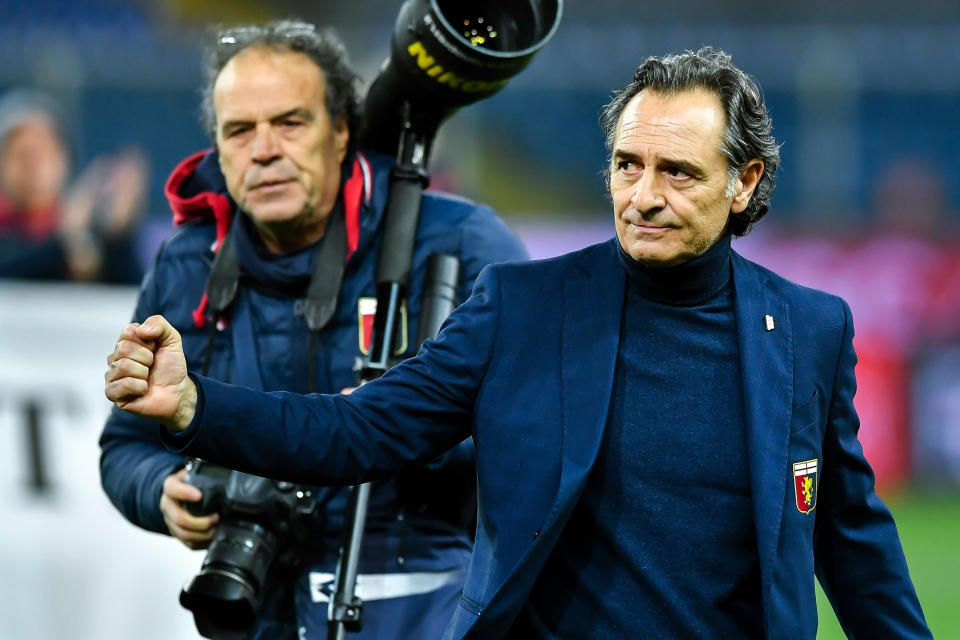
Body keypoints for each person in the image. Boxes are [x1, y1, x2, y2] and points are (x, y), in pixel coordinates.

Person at [106, 48, 932, 639]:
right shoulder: (522, 305)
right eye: (626, 165)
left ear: (743, 181)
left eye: (676, 171)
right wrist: (193, 404)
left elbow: (849, 540)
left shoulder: (811, 329)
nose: (643, 196)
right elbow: (356, 432)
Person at [98, 20, 528, 640]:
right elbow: (124, 446)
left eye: (290, 123)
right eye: (239, 131)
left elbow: (538, 440)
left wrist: (410, 433)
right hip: (255, 602)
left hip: (427, 603)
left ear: (342, 131)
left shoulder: (459, 244)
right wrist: (160, 493)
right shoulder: (186, 264)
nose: (264, 149)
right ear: (216, 150)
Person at [0, 89, 147, 283]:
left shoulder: (88, 234)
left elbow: (129, 295)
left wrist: (118, 237)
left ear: (64, 161)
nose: (31, 166)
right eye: (21, 154)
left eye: (42, 153)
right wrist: (66, 241)